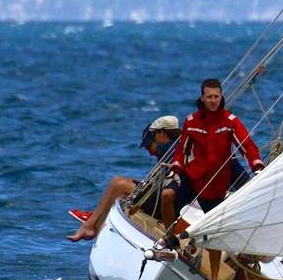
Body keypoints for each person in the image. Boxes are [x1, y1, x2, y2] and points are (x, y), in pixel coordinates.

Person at [67, 116, 181, 242]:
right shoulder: (172, 151)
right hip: (163, 199)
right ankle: (95, 221)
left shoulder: (170, 149)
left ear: (162, 134)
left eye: (149, 145)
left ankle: (91, 227)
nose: (149, 152)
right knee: (119, 182)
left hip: (168, 207)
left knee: (120, 185)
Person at [171, 78, 264, 213]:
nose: (213, 100)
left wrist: (257, 166)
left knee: (250, 198)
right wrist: (175, 168)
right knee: (168, 196)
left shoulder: (230, 121)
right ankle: (166, 227)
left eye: (216, 96)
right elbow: (182, 150)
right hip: (194, 178)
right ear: (202, 98)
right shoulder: (191, 122)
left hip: (218, 182)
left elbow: (246, 145)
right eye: (209, 97)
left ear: (221, 97)